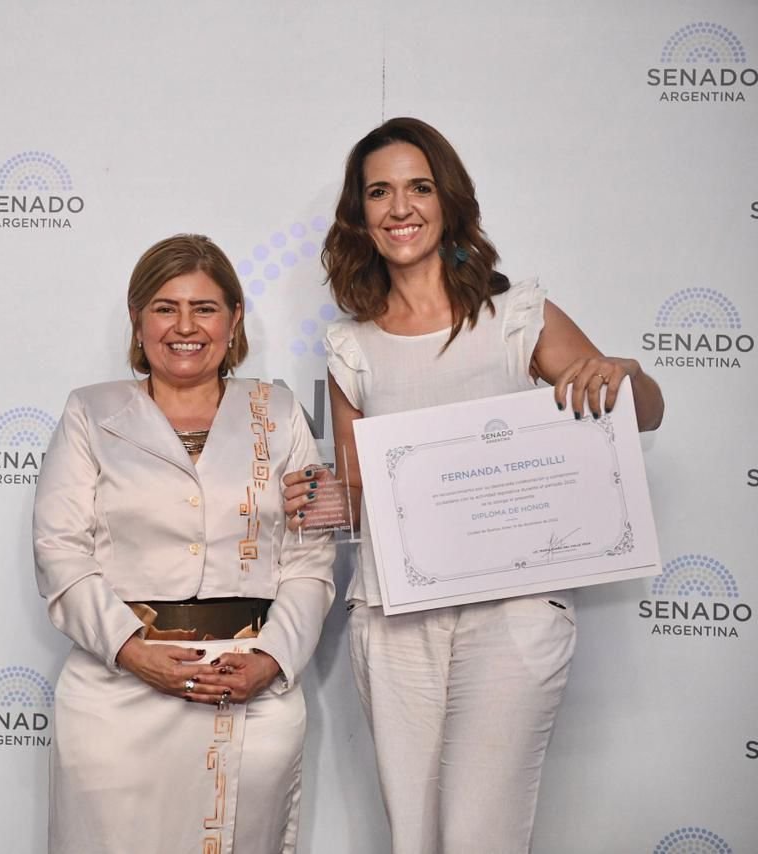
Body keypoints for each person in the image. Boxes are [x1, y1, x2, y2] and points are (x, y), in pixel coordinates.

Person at [284, 117, 665, 854]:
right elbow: (363, 503)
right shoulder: (350, 345)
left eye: (419, 188)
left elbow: (640, 413)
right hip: (394, 618)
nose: (400, 208)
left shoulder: (517, 317)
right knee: (416, 839)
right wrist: (321, 501)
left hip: (514, 612)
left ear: (448, 200)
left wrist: (625, 376)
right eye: (379, 192)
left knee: (476, 835)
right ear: (358, 215)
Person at [33, 234, 336, 853]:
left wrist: (272, 659)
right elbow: (60, 548)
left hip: (249, 688)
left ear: (235, 320)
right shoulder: (91, 413)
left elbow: (310, 560)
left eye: (205, 307)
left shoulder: (275, 413)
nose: (185, 326)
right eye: (165, 307)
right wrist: (130, 648)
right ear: (137, 319)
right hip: (116, 698)